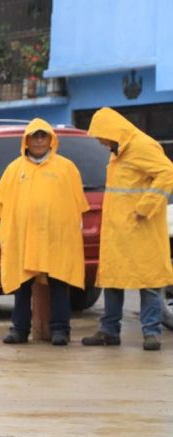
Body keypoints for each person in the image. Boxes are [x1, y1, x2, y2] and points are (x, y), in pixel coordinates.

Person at [0, 119, 90, 346]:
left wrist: (75, 230)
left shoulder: (66, 168)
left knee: (59, 283)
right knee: (22, 286)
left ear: (51, 139)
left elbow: (77, 205)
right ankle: (20, 329)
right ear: (27, 140)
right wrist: (5, 234)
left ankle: (60, 330)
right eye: (35, 136)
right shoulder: (14, 170)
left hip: (56, 239)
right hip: (24, 239)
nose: (40, 140)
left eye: (44, 136)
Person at [82, 107, 173, 351]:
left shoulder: (142, 146)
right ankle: (109, 331)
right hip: (118, 232)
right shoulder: (118, 151)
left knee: (149, 282)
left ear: (111, 131)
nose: (100, 142)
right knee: (113, 281)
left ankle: (151, 333)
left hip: (141, 228)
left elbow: (167, 173)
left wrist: (146, 207)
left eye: (101, 136)